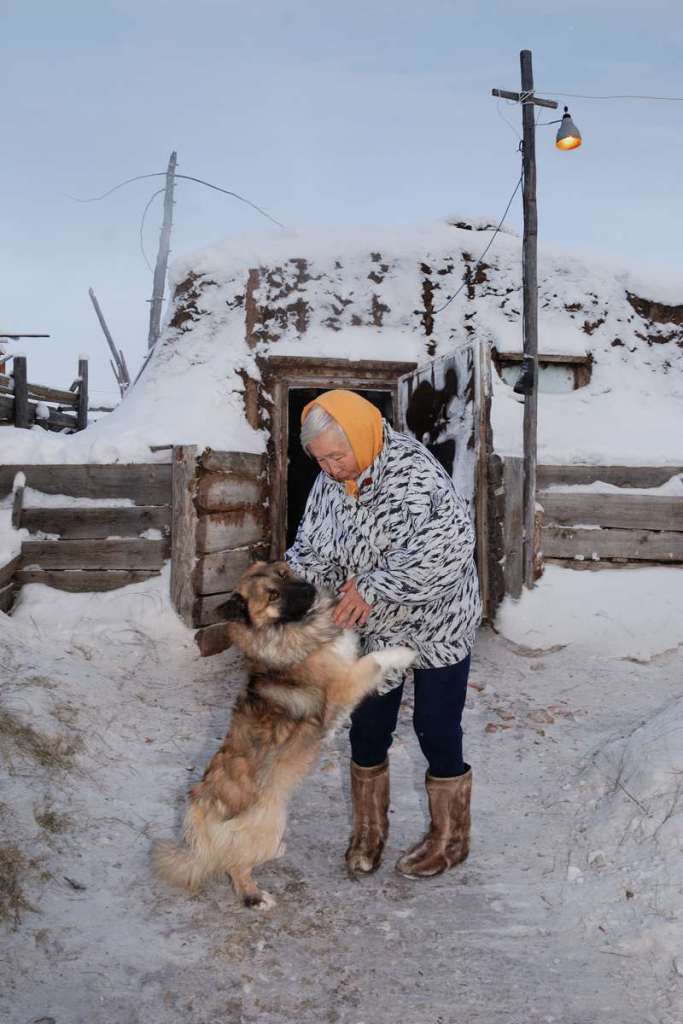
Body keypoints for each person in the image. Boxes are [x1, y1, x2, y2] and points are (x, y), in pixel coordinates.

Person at [285, 389, 481, 879]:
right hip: (373, 630)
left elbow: (452, 547)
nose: (331, 467)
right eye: (321, 459)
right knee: (369, 728)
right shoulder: (331, 482)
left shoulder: (413, 474)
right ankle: (369, 830)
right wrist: (293, 588)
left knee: (436, 728)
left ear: (364, 434)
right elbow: (314, 545)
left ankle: (450, 838)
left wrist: (375, 585)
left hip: (438, 622)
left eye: (338, 454)